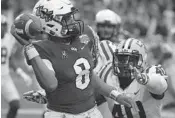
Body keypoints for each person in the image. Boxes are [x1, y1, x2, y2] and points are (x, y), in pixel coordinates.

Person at [11, 0, 138, 118]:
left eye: (71, 16)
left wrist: (116, 95)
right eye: (66, 18)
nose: (72, 21)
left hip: (92, 112)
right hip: (62, 115)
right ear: (49, 22)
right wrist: (28, 47)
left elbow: (89, 76)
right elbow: (51, 84)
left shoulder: (84, 35)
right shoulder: (40, 48)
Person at [99, 38, 168, 118]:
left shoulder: (150, 73)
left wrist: (146, 80)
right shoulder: (106, 74)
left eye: (131, 60)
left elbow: (161, 86)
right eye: (121, 59)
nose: (125, 64)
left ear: (142, 60)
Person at [1, 14, 32, 118]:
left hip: (5, 77)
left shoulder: (9, 39)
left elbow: (9, 58)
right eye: (2, 25)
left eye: (4, 25)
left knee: (15, 104)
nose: (3, 27)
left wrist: (21, 73)